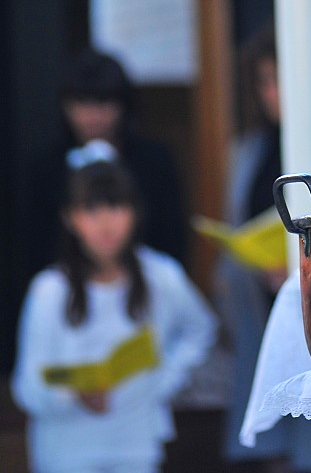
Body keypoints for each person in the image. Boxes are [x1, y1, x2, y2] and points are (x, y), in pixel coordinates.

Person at [12, 140, 217, 473]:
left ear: (135, 212)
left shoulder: (160, 275)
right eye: (91, 210)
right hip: (66, 450)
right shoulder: (49, 290)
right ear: (70, 218)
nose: (106, 222)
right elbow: (27, 387)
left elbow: (200, 329)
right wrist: (71, 396)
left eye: (117, 207)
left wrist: (166, 378)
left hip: (136, 443)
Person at [217, 22, 311, 473]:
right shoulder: (251, 151)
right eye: (266, 82)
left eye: (284, 79)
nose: (276, 93)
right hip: (263, 301)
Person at [28, 47, 189, 277]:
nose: (93, 116)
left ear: (122, 105)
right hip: (71, 288)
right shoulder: (46, 168)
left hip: (143, 286)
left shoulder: (154, 161)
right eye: (82, 102)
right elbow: (36, 246)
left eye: (103, 102)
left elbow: (172, 237)